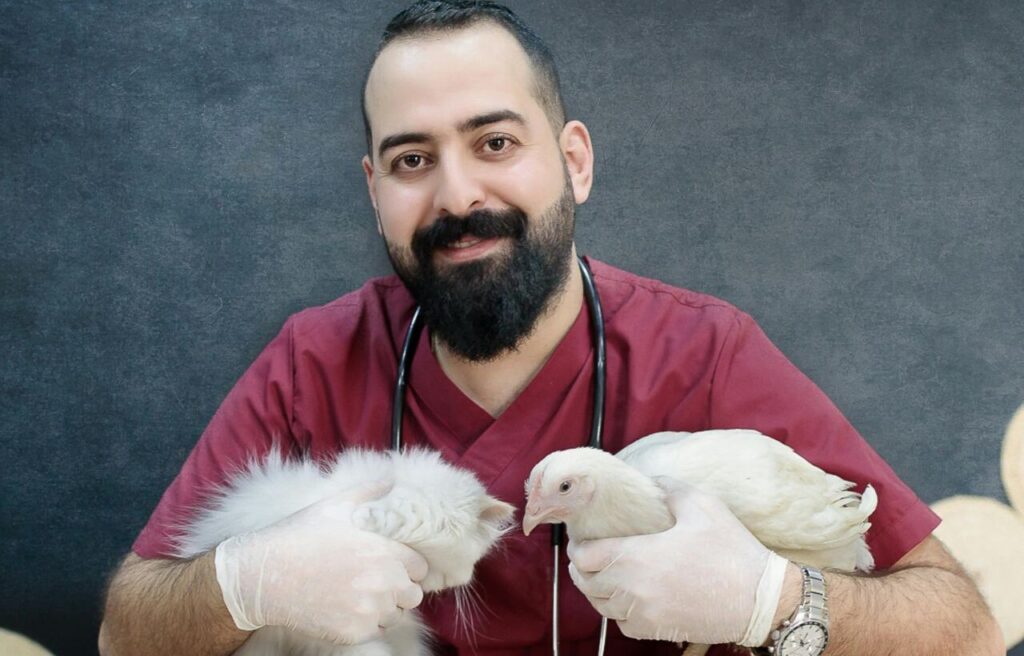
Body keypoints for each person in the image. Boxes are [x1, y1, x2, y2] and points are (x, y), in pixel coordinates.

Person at [99, 2, 1004, 655]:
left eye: (495, 143)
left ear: (573, 162)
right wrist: (246, 583)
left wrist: (771, 601)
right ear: (375, 194)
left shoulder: (706, 354)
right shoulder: (313, 363)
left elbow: (962, 631)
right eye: (413, 160)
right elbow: (125, 632)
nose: (458, 196)